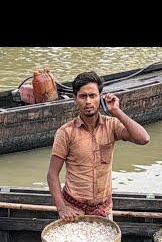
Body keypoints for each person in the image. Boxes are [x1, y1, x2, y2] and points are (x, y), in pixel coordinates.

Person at [47, 72, 150, 221]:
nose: (88, 101)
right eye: (83, 96)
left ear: (100, 97)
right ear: (75, 99)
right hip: (74, 210)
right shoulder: (66, 132)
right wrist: (62, 209)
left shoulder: (112, 125)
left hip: (103, 208)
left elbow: (144, 138)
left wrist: (116, 111)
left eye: (93, 96)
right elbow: (52, 174)